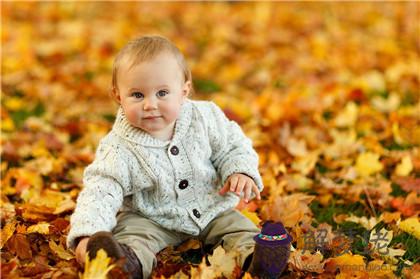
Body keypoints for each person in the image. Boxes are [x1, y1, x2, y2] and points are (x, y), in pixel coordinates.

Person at [66, 35, 290, 279]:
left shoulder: (205, 117)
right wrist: (88, 233)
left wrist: (240, 171)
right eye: (137, 95)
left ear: (184, 91)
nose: (150, 104)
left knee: (237, 229)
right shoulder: (118, 148)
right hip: (151, 217)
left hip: (212, 207)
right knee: (133, 236)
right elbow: (101, 190)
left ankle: (257, 260)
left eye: (162, 93)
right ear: (118, 96)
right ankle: (122, 264)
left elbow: (233, 146)